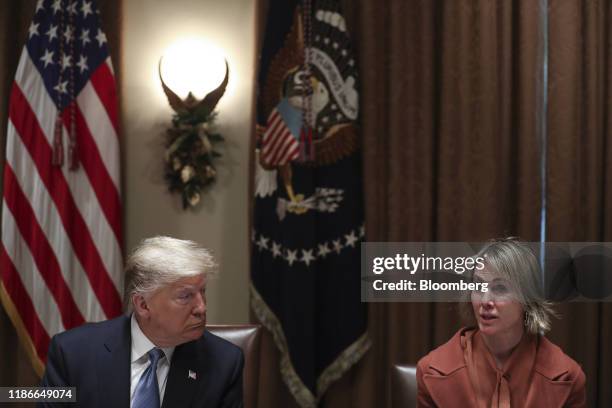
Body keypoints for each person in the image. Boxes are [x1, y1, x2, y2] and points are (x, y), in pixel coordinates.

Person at [39, 236, 244, 408]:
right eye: (185, 296)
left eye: (202, 292)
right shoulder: (72, 353)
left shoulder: (223, 363)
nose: (202, 308)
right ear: (143, 305)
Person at [417, 238, 586, 408]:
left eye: (500, 289)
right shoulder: (431, 370)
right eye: (479, 286)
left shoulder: (568, 377)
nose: (485, 301)